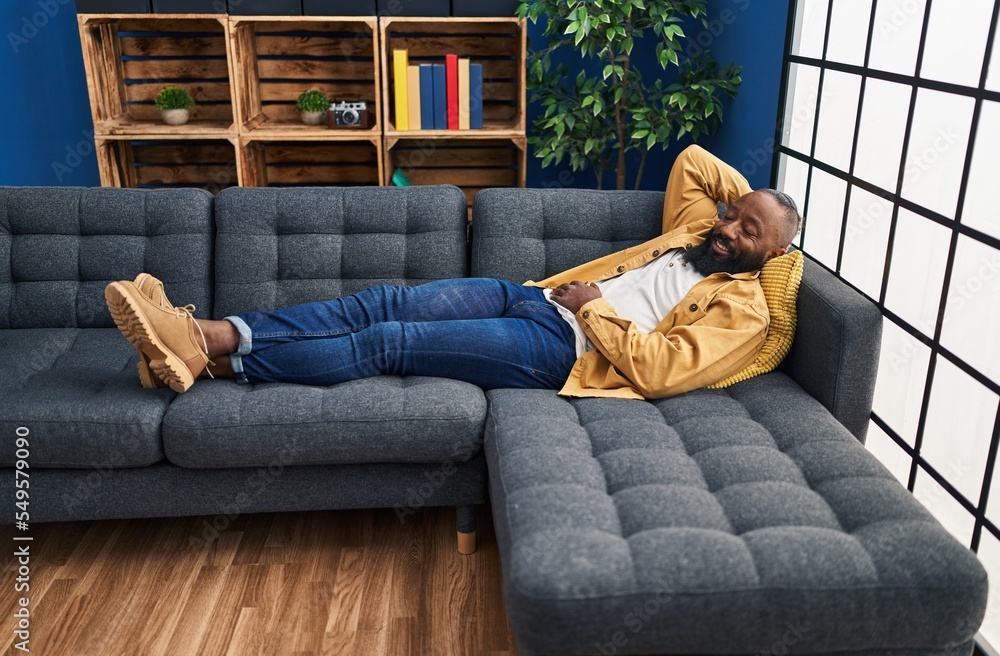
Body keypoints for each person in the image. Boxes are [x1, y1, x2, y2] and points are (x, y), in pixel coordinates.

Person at [105, 145, 800, 399]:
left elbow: (664, 370)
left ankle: (210, 350)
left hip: (567, 348)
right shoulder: (693, 231)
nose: (728, 227)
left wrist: (593, 309)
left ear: (774, 254)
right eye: (732, 214)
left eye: (748, 231)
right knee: (377, 302)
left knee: (390, 343)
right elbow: (693, 161)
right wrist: (753, 205)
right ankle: (203, 343)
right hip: (531, 300)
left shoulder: (746, 310)